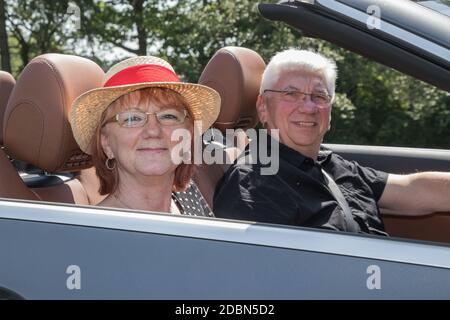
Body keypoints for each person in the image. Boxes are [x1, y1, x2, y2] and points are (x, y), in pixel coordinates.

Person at [213, 49, 450, 234]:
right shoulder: (253, 184)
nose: (307, 107)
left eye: (319, 96)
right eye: (291, 94)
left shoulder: (330, 164)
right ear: (263, 107)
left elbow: (412, 189)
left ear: (330, 112)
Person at [70, 56, 220, 215]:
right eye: (132, 119)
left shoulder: (192, 199)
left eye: (168, 116)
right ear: (106, 143)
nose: (153, 131)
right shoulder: (92, 232)